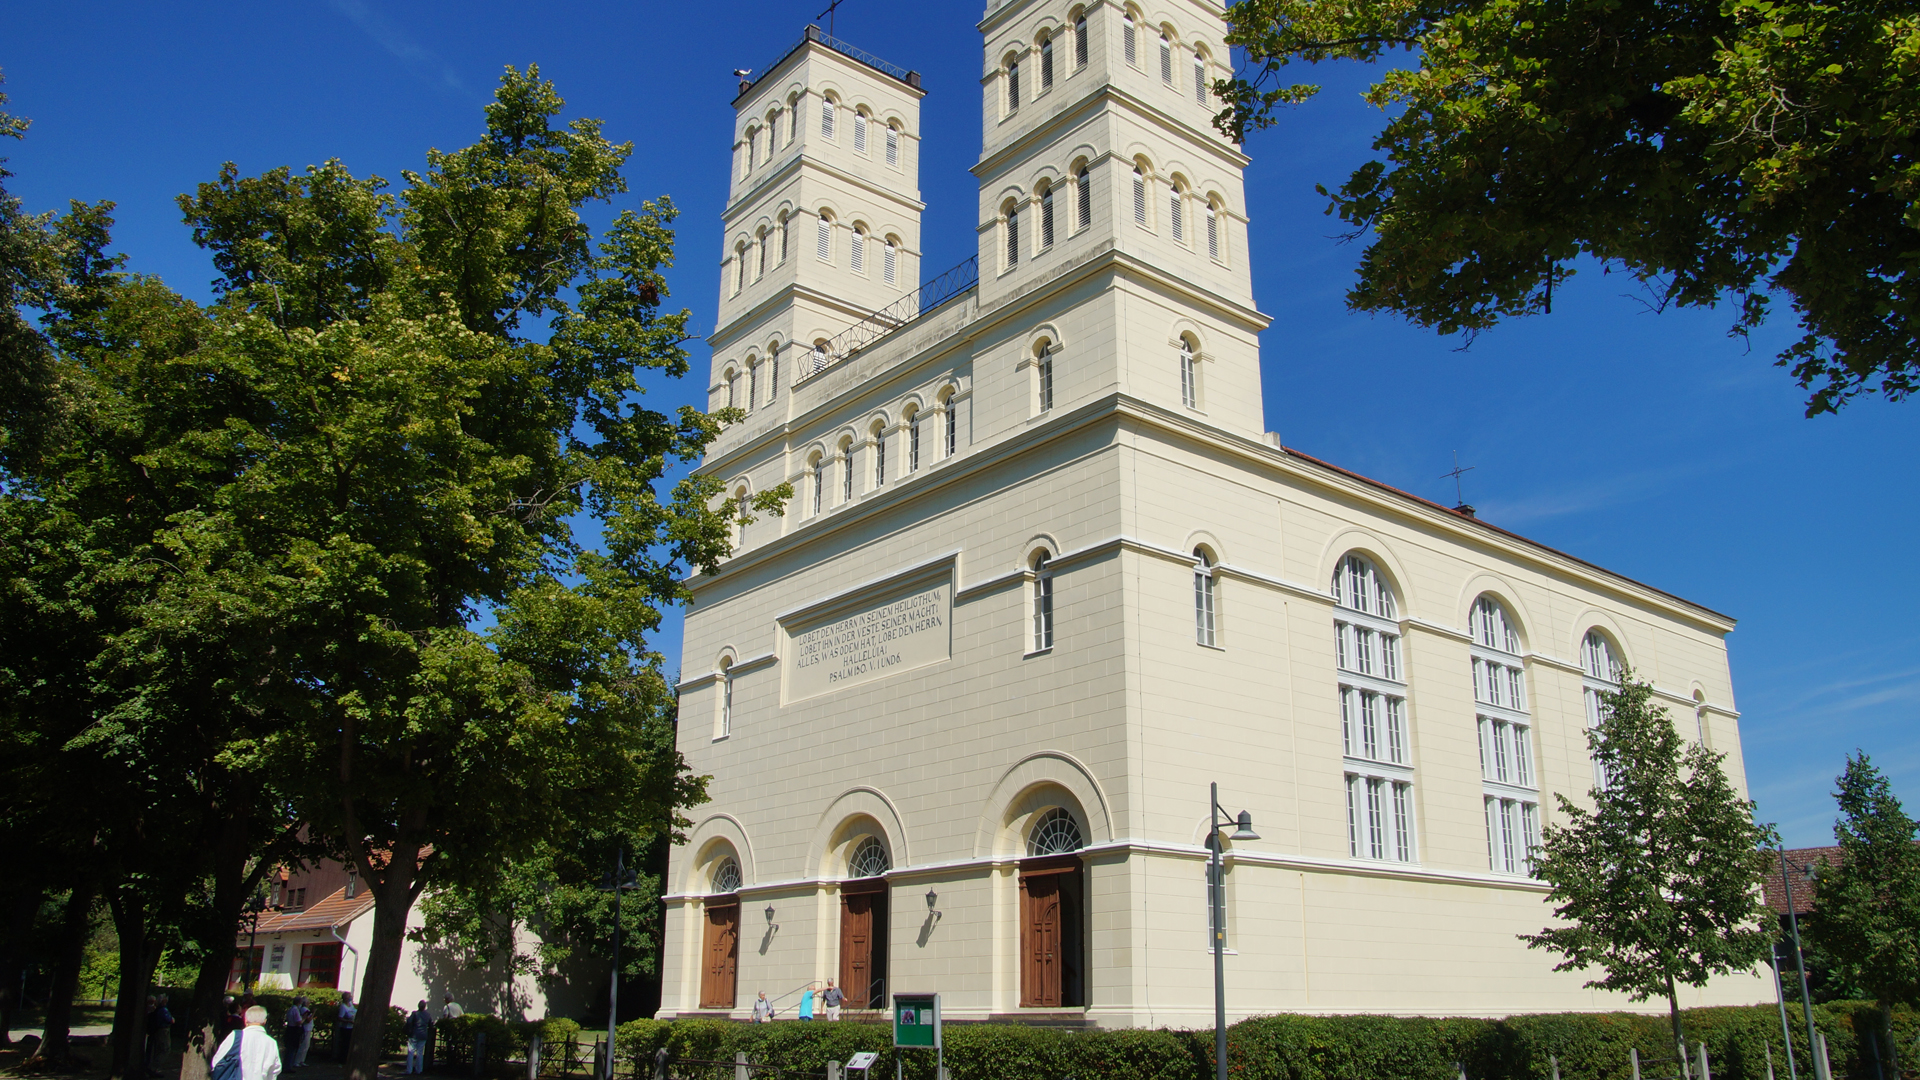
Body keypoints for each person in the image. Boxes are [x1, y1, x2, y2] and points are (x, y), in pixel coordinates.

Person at [210, 1005, 283, 1080]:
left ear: (245, 1020)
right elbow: (275, 1069)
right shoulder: (271, 1043)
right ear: (265, 1021)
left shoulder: (236, 1036)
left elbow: (218, 1060)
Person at [147, 993, 174, 1077]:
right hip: (163, 1031)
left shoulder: (158, 1009)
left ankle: (154, 1068)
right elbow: (170, 1020)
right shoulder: (163, 1010)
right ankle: (154, 1067)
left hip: (159, 1030)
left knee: (159, 1049)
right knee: (165, 1049)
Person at [404, 1000, 433, 1074]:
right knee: (420, 1053)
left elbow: (409, 1022)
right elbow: (430, 1025)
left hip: (414, 1034)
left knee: (411, 1052)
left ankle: (409, 1070)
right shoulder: (428, 1015)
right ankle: (419, 1070)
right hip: (423, 1035)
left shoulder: (415, 1014)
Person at [333, 993, 356, 1063]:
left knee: (350, 1044)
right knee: (345, 1044)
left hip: (351, 1027)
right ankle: (343, 1059)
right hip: (346, 1028)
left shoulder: (351, 1004)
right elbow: (340, 1018)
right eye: (349, 997)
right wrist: (348, 1021)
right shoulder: (343, 1007)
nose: (350, 997)